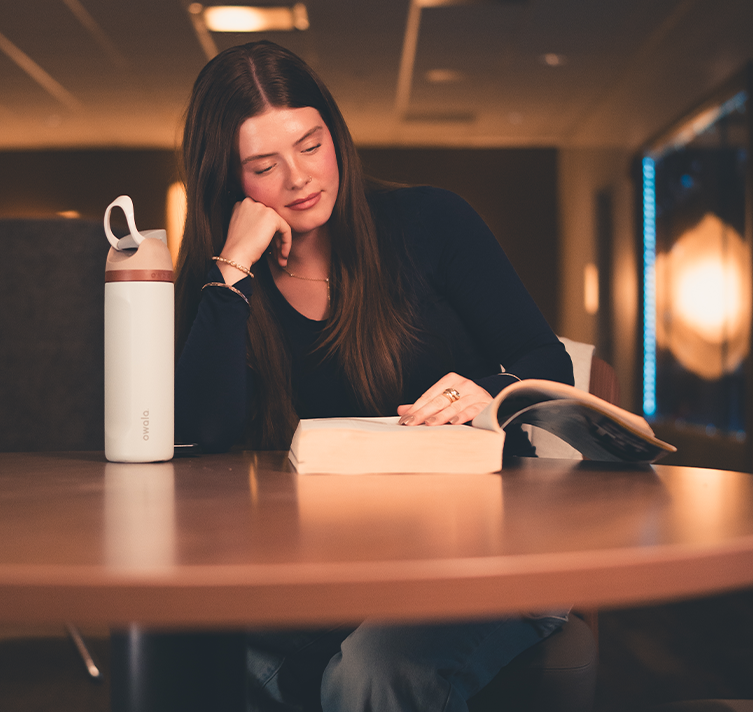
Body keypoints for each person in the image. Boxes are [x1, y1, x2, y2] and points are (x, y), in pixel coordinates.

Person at [174, 40, 573, 712]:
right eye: (265, 166)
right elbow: (206, 435)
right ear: (228, 181)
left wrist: (490, 390)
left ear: (336, 134)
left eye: (311, 144)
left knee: (365, 673)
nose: (299, 178)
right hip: (326, 570)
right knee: (189, 643)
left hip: (482, 554)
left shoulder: (431, 221)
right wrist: (233, 274)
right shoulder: (224, 288)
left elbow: (545, 359)